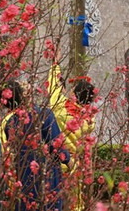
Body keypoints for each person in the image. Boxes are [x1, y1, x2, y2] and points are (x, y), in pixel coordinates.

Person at [0, 81, 69, 211]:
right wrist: (69, 162)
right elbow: (58, 148)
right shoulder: (44, 113)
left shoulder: (9, 122)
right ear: (24, 94)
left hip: (23, 174)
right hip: (47, 173)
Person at [47, 64, 96, 210]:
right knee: (76, 199)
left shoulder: (62, 108)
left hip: (61, 160)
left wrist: (55, 65)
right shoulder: (89, 119)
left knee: (58, 198)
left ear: (74, 93)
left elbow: (53, 89)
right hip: (77, 163)